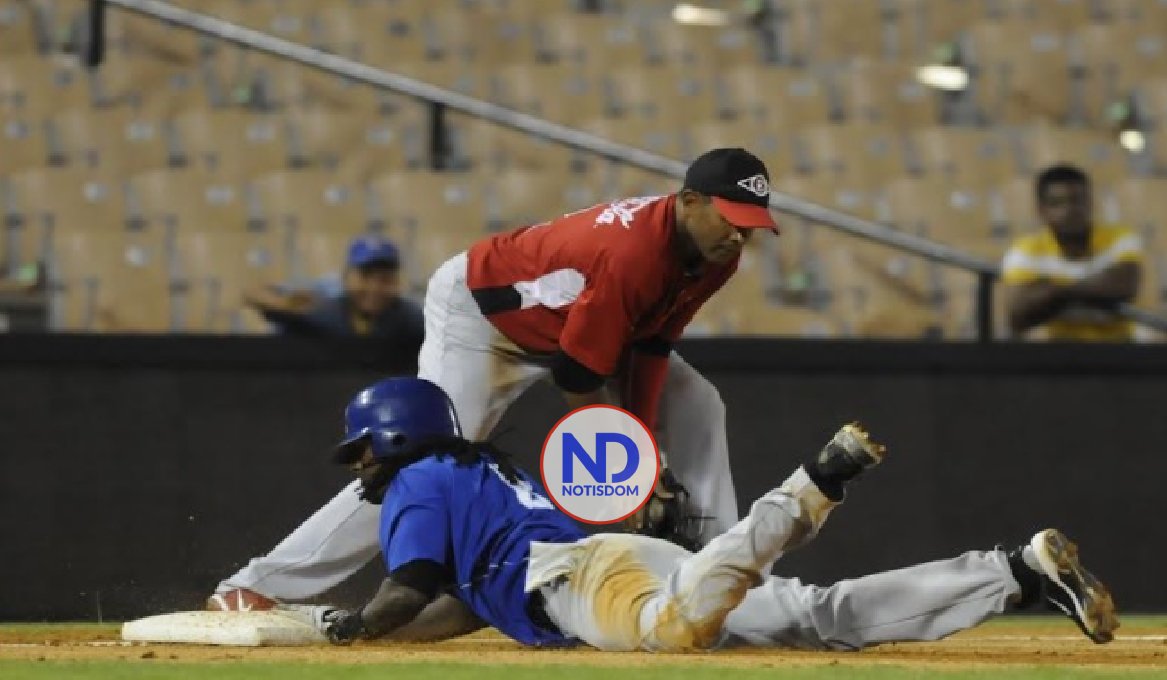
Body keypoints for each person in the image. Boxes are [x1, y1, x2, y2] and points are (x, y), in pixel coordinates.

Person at [208, 148, 780, 610]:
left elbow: (651, 346)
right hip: (483, 316)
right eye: (731, 219)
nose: (739, 236)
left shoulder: (716, 254)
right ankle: (258, 585)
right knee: (423, 459)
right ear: (688, 201)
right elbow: (578, 374)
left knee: (699, 403)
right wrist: (628, 466)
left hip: (566, 324)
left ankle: (722, 576)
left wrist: (644, 448)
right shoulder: (634, 252)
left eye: (751, 226)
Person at [283, 377, 1119, 652]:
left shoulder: (419, 480)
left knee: (673, 632)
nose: (359, 466)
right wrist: (385, 634)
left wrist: (354, 627)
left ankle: (809, 487)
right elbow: (465, 604)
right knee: (816, 617)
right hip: (606, 564)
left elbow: (408, 586)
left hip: (583, 585)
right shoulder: (471, 473)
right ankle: (1014, 572)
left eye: (362, 449)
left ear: (395, 437)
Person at [1001, 164, 1144, 341]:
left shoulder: (1120, 239)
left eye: (1077, 200)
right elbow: (1018, 314)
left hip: (1118, 347)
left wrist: (1053, 291)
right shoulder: (1025, 250)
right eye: (1057, 203)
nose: (1070, 210)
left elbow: (1124, 286)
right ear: (1041, 210)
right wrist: (1094, 287)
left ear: (1090, 203)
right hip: (1056, 349)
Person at [242, 234, 424, 341]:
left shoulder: (406, 316)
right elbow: (253, 293)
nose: (374, 288)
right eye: (365, 277)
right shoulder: (323, 308)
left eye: (385, 280)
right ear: (346, 277)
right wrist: (285, 304)